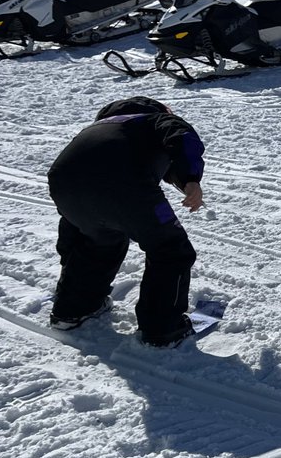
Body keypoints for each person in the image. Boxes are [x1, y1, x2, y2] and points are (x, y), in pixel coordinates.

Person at [47, 95, 205, 347]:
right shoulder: (153, 119)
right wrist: (191, 178)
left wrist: (68, 261)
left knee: (96, 239)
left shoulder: (97, 130)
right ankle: (163, 329)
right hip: (128, 187)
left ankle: (72, 311)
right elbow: (182, 135)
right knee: (170, 248)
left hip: (63, 184)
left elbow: (70, 233)